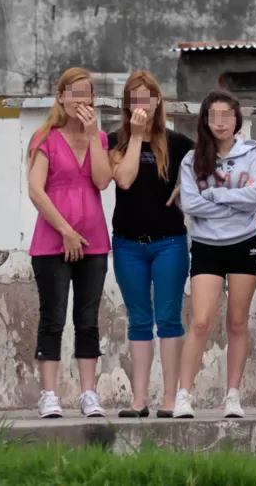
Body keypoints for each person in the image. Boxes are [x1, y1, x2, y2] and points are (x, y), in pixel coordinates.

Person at [26, 67, 112, 419]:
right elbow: (35, 189)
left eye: (87, 92)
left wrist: (93, 136)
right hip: (52, 242)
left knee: (88, 319)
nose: (81, 99)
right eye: (73, 92)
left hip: (94, 242)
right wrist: (65, 230)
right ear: (61, 97)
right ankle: (48, 394)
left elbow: (103, 181)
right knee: (53, 317)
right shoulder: (44, 137)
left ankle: (88, 393)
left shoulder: (101, 138)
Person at [109, 70, 194, 419]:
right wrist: (137, 137)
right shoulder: (115, 141)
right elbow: (125, 180)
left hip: (169, 243)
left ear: (158, 102)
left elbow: (207, 168)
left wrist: (186, 189)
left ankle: (170, 398)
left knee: (169, 318)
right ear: (127, 105)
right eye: (134, 99)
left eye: (147, 98)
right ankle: (139, 399)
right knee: (139, 320)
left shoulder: (179, 144)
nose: (141, 105)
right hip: (128, 245)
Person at [175, 90, 256, 419]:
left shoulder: (251, 154)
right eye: (214, 116)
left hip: (244, 243)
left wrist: (212, 193)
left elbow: (254, 196)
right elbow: (190, 204)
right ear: (205, 121)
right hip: (206, 246)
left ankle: (232, 396)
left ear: (237, 119)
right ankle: (184, 395)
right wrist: (230, 197)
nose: (221, 122)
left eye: (227, 115)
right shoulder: (192, 159)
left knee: (238, 323)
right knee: (200, 322)